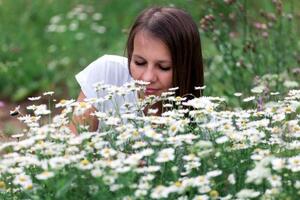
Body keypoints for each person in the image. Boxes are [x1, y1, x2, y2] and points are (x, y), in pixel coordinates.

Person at [70, 6, 204, 133]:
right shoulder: (106, 75)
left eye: (164, 67)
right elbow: (73, 147)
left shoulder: (204, 124)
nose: (147, 78)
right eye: (139, 63)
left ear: (186, 68)